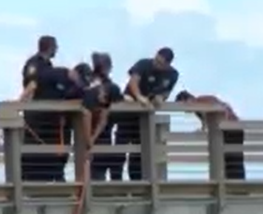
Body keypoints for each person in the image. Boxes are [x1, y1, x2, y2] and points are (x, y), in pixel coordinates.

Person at [116, 48, 179, 180]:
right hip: (128, 110)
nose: (156, 64)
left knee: (140, 151)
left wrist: (161, 98)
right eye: (156, 60)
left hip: (145, 116)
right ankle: (116, 179)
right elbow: (133, 82)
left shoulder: (173, 74)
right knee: (120, 148)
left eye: (160, 63)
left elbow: (166, 92)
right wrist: (139, 97)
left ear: (167, 65)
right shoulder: (143, 64)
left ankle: (137, 182)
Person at [20, 65, 85, 182]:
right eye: (80, 80)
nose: (79, 83)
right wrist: (20, 104)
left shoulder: (78, 88)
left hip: (58, 128)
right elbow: (32, 86)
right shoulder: (55, 74)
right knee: (34, 157)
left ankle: (57, 179)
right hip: (38, 123)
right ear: (74, 73)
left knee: (57, 158)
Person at [175, 90, 244, 180]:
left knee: (232, 158)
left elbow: (217, 110)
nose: (185, 111)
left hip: (231, 129)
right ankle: (232, 182)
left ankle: (236, 183)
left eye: (183, 107)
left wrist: (205, 128)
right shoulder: (198, 108)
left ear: (187, 100)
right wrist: (203, 129)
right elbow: (207, 119)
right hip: (227, 130)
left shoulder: (200, 101)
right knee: (228, 159)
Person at [85, 52, 124, 181]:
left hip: (83, 134)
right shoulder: (112, 88)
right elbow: (114, 110)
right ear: (108, 67)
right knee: (100, 173)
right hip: (103, 137)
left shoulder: (85, 85)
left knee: (91, 174)